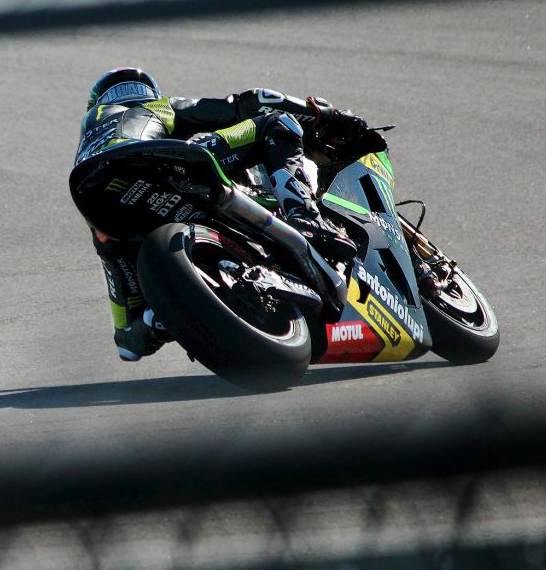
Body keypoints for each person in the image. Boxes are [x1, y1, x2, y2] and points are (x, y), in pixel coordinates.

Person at [74, 67, 374, 362]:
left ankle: (159, 319)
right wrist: (326, 115)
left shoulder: (95, 142)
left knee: (132, 319)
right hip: (152, 163)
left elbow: (128, 344)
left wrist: (164, 315)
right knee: (276, 123)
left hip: (96, 201)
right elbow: (250, 102)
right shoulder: (156, 107)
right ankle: (306, 217)